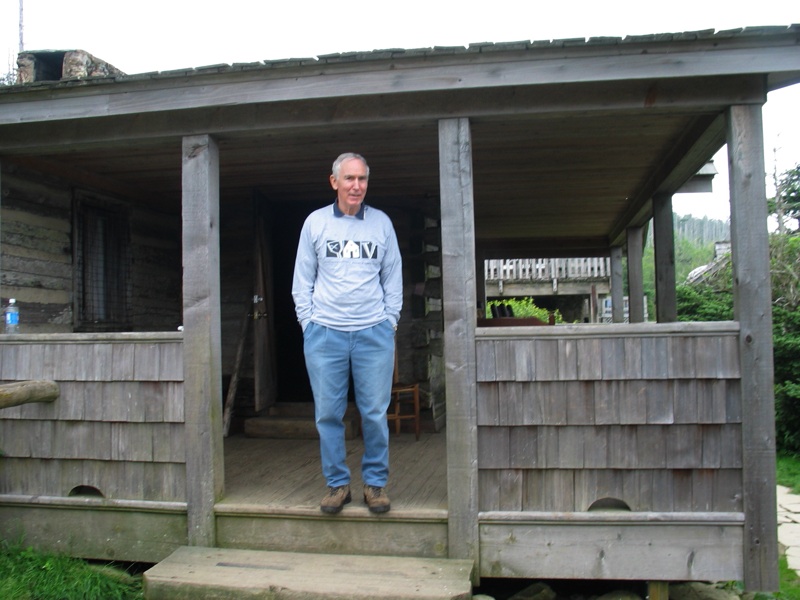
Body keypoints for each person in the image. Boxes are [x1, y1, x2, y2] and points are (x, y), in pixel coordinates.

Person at [292, 152, 403, 514]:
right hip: (325, 333)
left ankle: (374, 485)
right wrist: (309, 324)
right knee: (328, 413)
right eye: (350, 179)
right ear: (334, 181)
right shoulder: (315, 223)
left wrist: (390, 321)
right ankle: (338, 486)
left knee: (373, 412)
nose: (357, 186)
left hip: (374, 332)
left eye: (363, 179)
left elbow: (393, 277)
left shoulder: (382, 224)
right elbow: (302, 281)